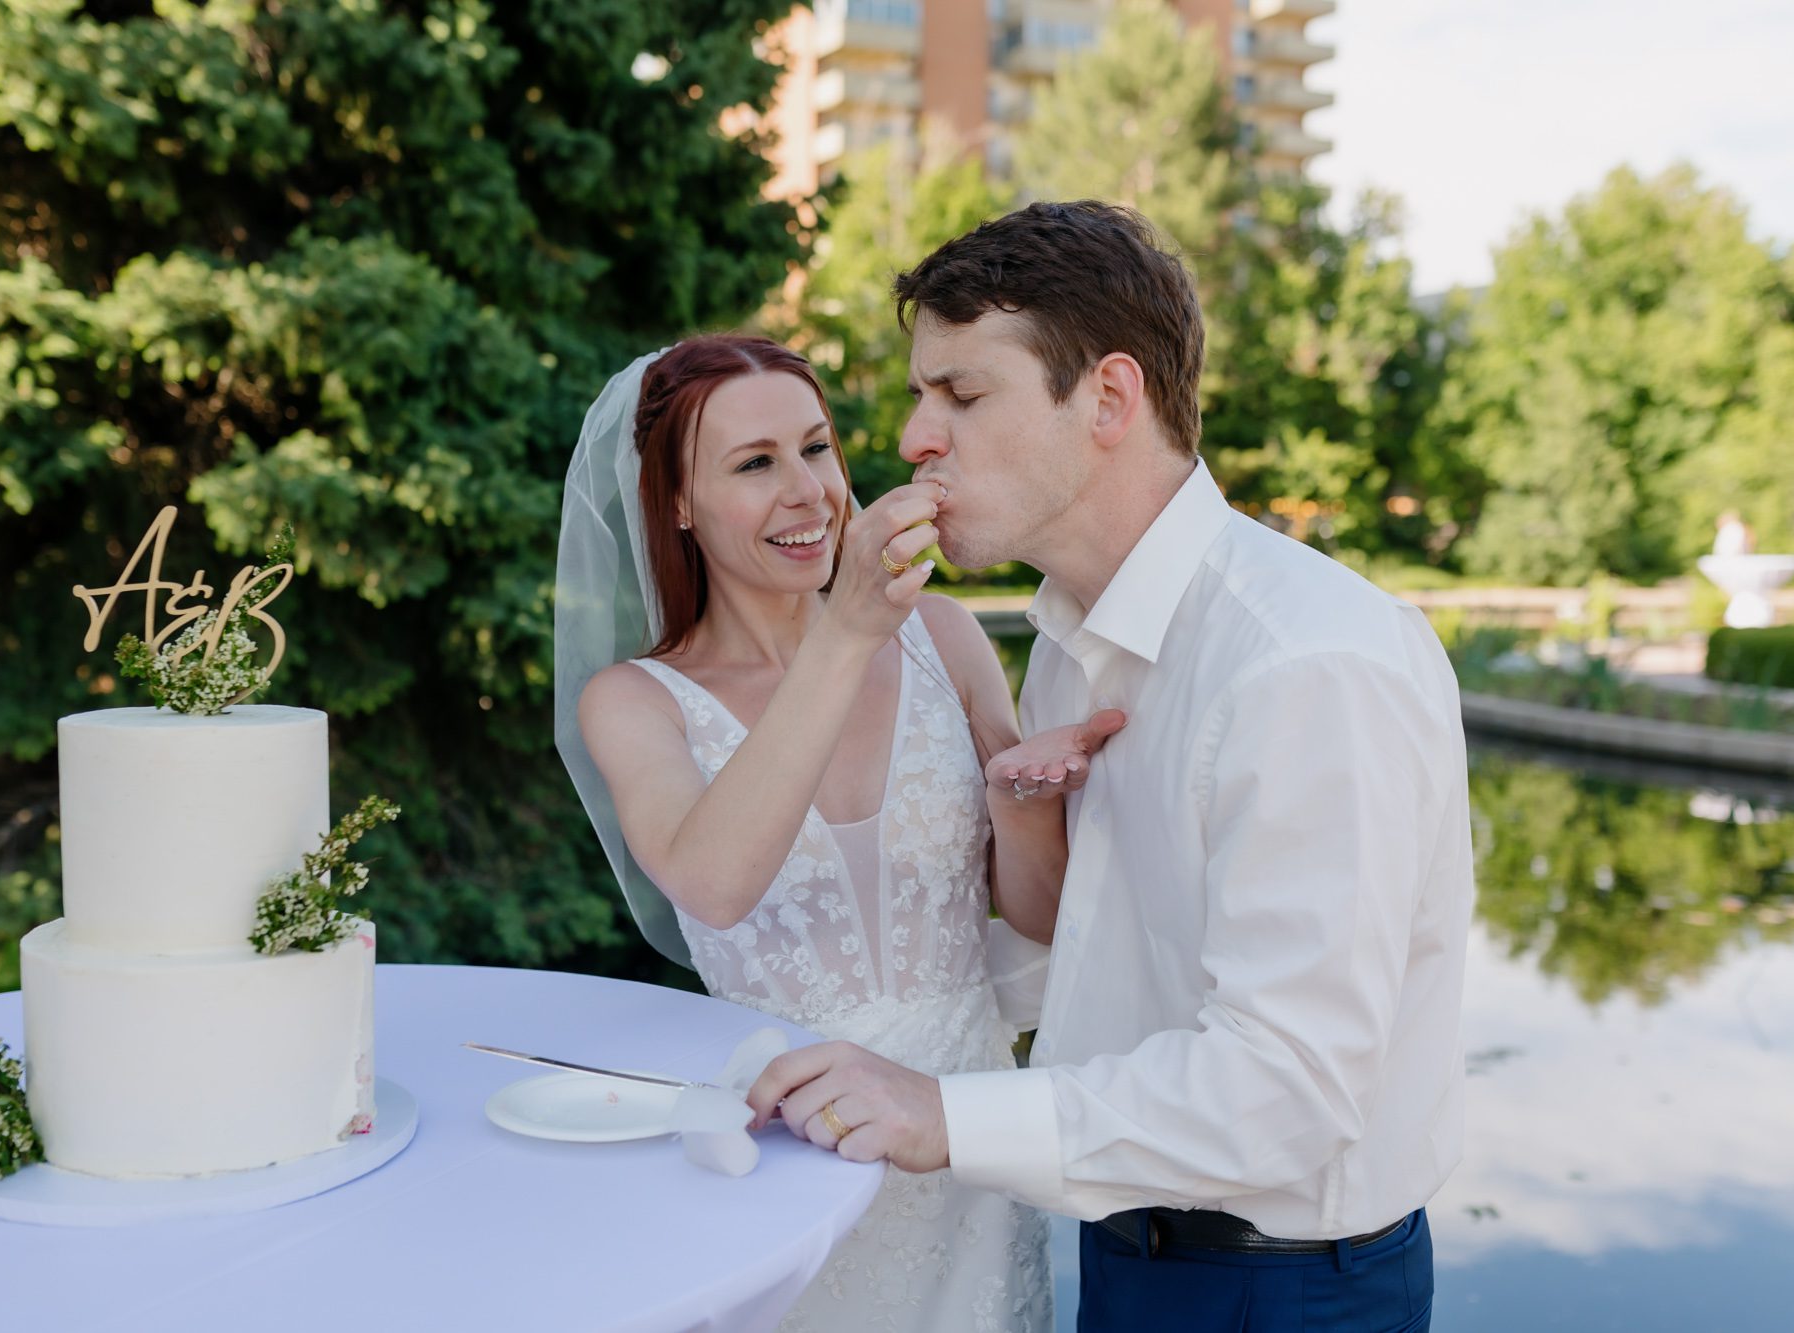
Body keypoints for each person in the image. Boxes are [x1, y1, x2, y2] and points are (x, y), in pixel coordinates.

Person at [746, 202, 1476, 1333]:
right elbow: (1104, 948)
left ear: (1108, 398)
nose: (911, 439)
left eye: (961, 393)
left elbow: (1287, 1092)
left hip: (1282, 1290)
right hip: (1128, 1245)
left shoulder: (1305, 665)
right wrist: (854, 1019)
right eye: (916, 394)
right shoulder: (1071, 646)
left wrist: (945, 1113)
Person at [554, 334, 1114, 1331]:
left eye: (815, 448)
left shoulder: (943, 639)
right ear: (675, 501)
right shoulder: (636, 702)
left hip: (966, 1144)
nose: (807, 490)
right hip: (786, 1156)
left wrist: (1022, 801)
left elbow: (1035, 911)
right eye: (753, 463)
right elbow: (712, 880)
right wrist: (849, 628)